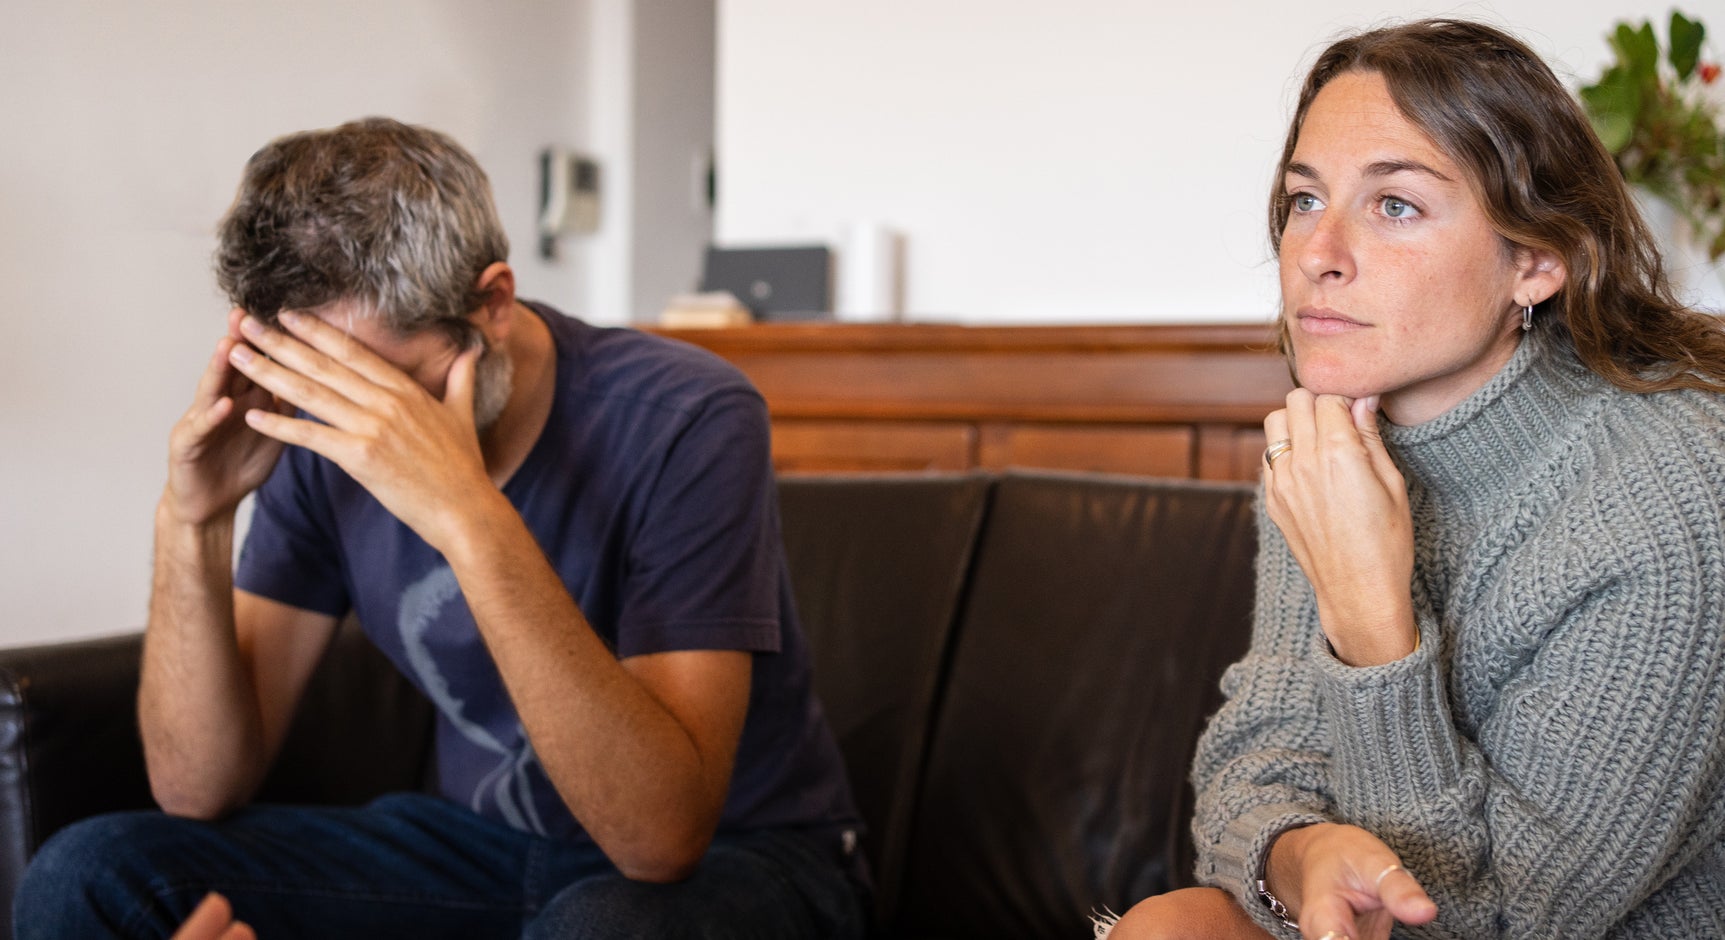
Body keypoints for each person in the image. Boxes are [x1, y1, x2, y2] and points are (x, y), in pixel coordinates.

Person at [12, 117, 867, 939]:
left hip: (747, 855)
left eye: (386, 391)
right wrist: (192, 519)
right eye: (323, 386)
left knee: (604, 925)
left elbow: (658, 842)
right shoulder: (318, 435)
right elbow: (195, 789)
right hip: (489, 852)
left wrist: (463, 511)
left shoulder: (686, 414)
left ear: (492, 301)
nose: (361, 429)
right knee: (91, 869)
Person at [1102, 18, 1725, 940]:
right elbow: (1253, 756)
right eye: (1304, 200)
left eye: (1394, 205)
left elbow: (1501, 922)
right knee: (1171, 924)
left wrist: (1372, 631)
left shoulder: (1670, 501)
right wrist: (1297, 852)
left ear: (1536, 260)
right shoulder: (1329, 446)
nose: (1318, 253)